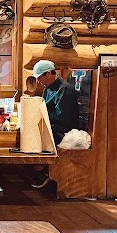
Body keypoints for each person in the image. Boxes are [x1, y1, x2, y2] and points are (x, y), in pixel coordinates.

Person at [30, 59, 81, 188]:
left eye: (40, 77)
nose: (38, 81)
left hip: (63, 129)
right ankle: (38, 170)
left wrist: (41, 115)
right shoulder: (48, 89)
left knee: (34, 136)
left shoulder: (65, 89)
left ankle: (44, 171)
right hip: (53, 125)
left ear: (48, 74)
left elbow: (63, 117)